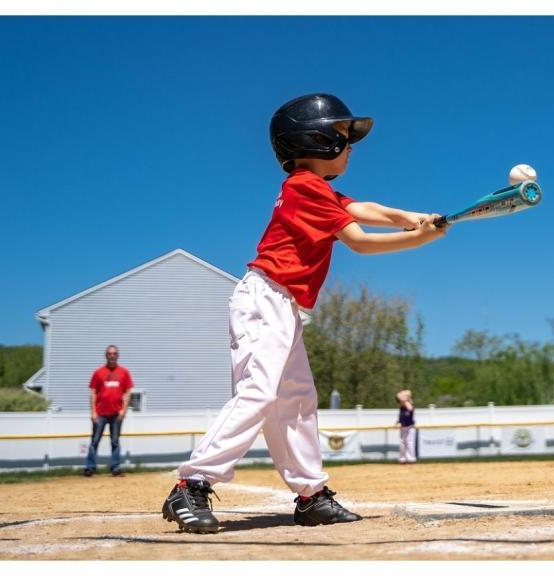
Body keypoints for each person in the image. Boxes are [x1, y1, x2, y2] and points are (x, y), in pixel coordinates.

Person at [161, 93, 447, 534]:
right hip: (264, 299)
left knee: (295, 401)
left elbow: (365, 210)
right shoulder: (305, 188)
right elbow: (360, 239)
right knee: (259, 393)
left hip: (282, 303)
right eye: (340, 135)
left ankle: (311, 495)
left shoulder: (316, 190)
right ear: (312, 140)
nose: (350, 145)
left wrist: (412, 217)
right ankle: (191, 483)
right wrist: (418, 239)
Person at [85, 344, 133, 477]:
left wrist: (124, 411)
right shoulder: (98, 372)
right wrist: (93, 412)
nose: (112, 356)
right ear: (106, 355)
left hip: (116, 414)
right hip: (100, 414)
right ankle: (90, 467)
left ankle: (115, 467)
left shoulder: (124, 372)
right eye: (109, 354)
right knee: (94, 441)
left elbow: (128, 392)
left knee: (115, 441)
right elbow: (93, 392)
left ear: (118, 356)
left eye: (114, 354)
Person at [396, 389, 417, 464]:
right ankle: (402, 459)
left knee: (409, 442)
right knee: (402, 443)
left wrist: (405, 399)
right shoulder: (402, 407)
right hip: (403, 427)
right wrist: (398, 422)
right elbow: (401, 416)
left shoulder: (408, 404)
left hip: (410, 427)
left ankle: (411, 458)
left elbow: (410, 408)